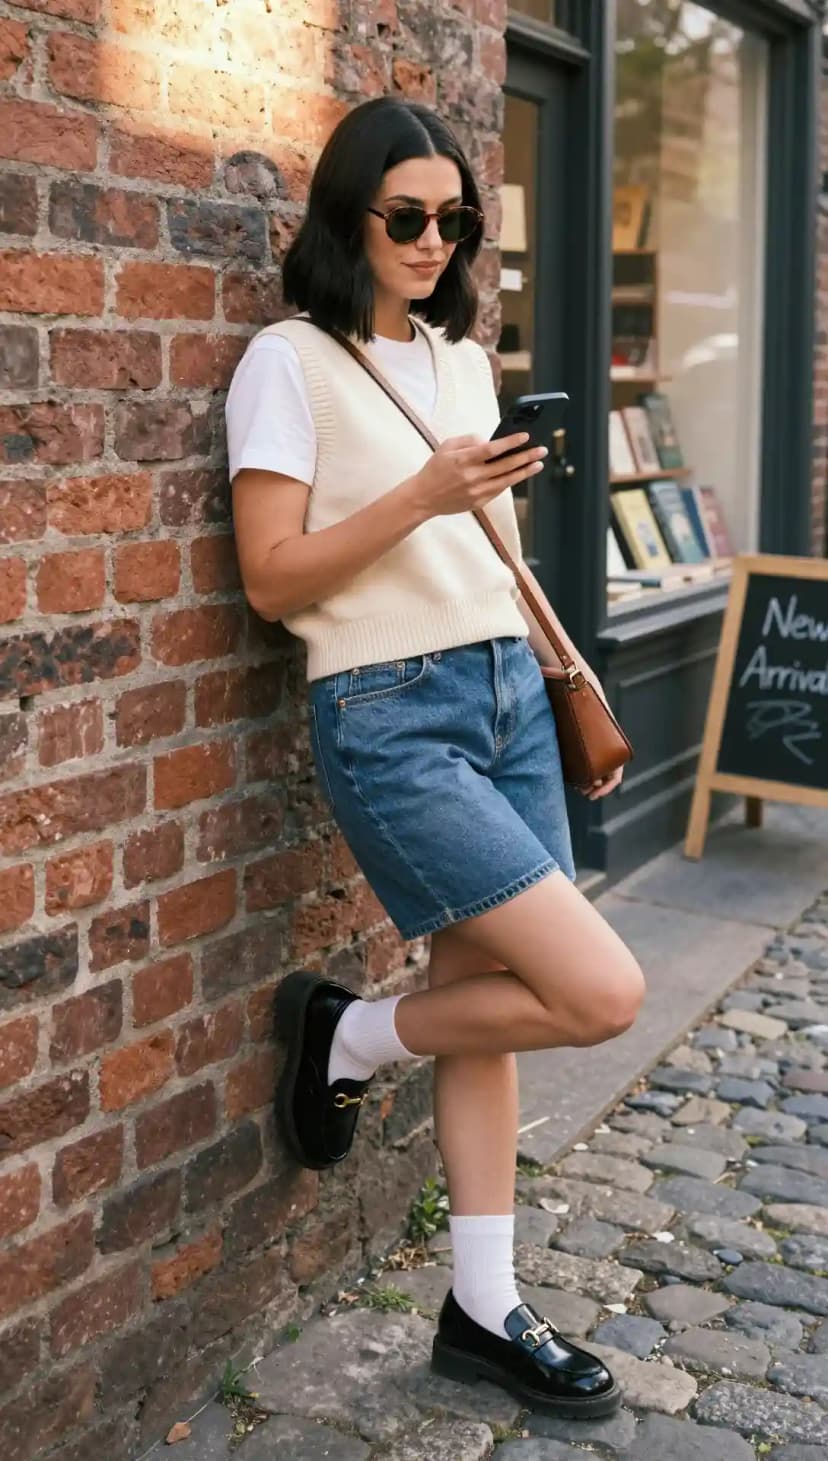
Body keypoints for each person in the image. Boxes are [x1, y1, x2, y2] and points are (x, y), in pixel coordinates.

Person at [227, 94, 645, 1421]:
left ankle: (482, 1304)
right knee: (601, 988)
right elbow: (271, 579)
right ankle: (347, 1032)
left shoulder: (462, 358)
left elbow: (488, 553)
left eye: (454, 219)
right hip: (391, 714)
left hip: (508, 695)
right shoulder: (287, 365)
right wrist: (419, 493)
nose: (431, 240)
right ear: (348, 214)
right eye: (405, 216)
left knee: (494, 1000)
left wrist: (561, 679)